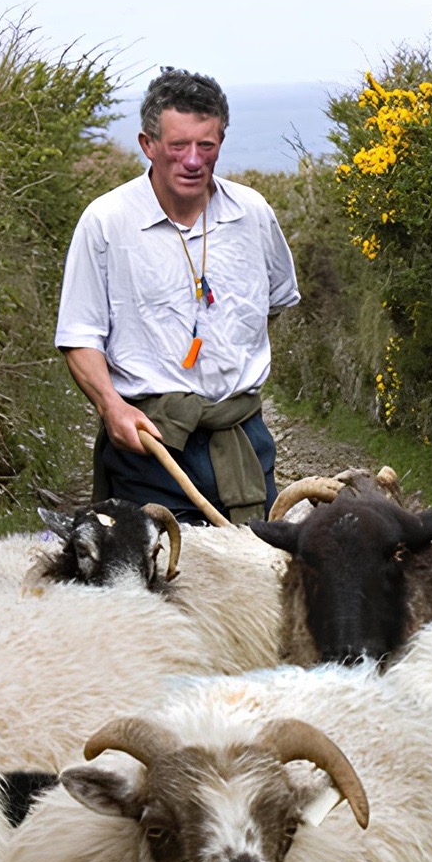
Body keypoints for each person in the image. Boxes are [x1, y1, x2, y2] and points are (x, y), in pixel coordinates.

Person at [57, 68, 301, 524]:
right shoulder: (106, 222)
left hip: (244, 441)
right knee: (157, 586)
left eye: (206, 146)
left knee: (258, 580)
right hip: (150, 445)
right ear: (147, 145)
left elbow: (274, 304)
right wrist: (112, 407)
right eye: (178, 146)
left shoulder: (253, 214)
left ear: (221, 142)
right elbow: (79, 337)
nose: (193, 160)